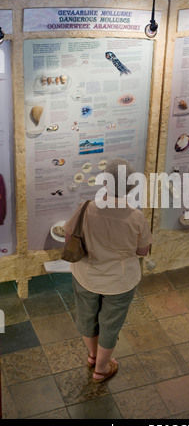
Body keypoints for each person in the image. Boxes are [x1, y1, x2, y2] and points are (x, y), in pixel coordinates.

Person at [64, 158, 152, 383]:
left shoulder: (86, 208)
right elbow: (143, 251)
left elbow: (68, 235)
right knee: (110, 324)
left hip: (86, 275)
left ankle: (93, 357)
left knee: (86, 317)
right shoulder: (136, 217)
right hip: (120, 282)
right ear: (131, 187)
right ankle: (101, 370)